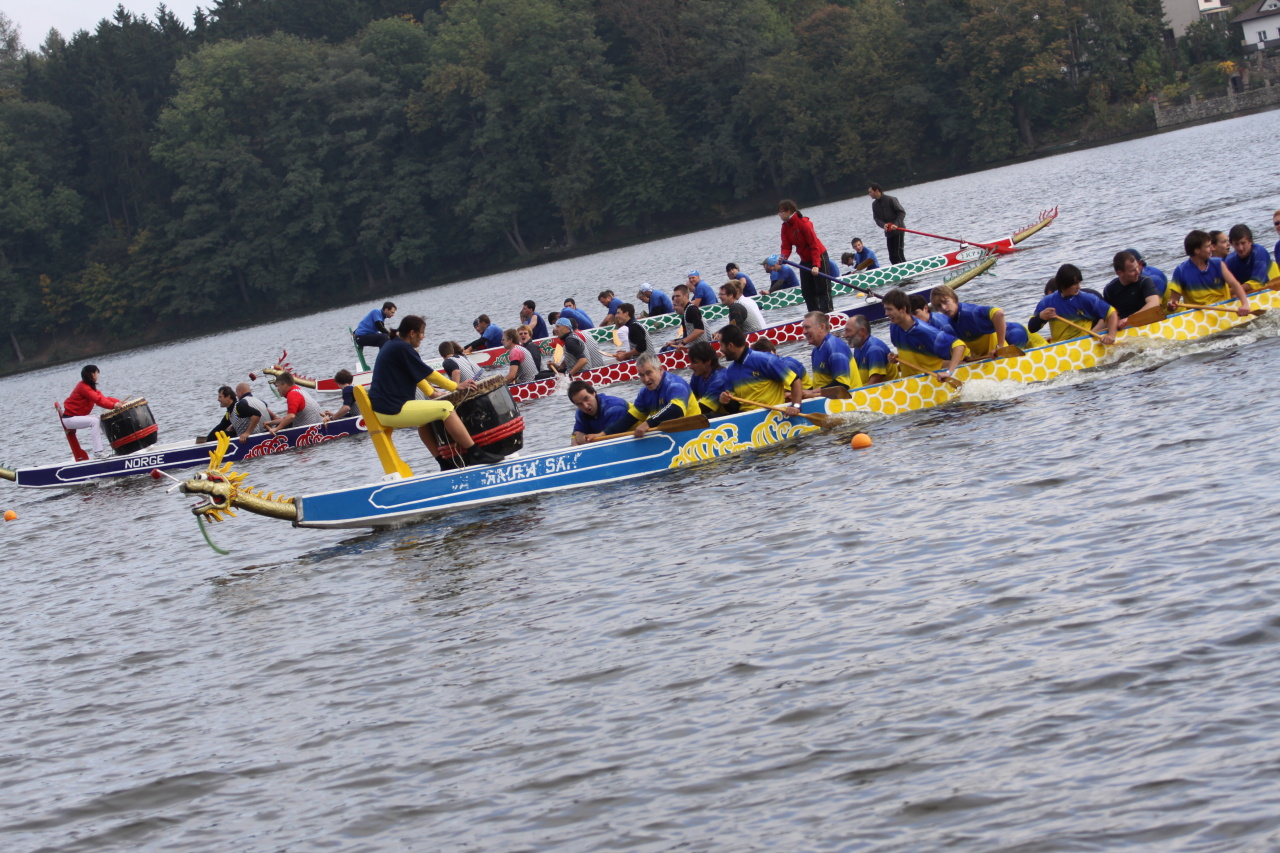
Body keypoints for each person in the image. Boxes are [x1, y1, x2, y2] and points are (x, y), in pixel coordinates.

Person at [367, 315, 503, 467]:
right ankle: (476, 454)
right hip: (392, 410)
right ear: (412, 333)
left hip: (386, 407)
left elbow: (417, 375)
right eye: (421, 332)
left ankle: (444, 464)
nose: (423, 336)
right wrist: (456, 386)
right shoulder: (402, 348)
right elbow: (429, 374)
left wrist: (432, 394)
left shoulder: (394, 344)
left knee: (424, 419)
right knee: (446, 409)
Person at [598, 353, 702, 438]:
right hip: (669, 435)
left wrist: (648, 423)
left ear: (660, 370)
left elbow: (676, 410)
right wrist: (602, 435)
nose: (646, 379)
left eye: (649, 373)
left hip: (694, 432)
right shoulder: (644, 393)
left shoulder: (675, 385)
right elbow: (629, 419)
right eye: (641, 375)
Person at [930, 284, 1044, 358]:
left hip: (1016, 334)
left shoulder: (971, 312)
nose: (944, 308)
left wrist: (1000, 347)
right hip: (991, 352)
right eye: (939, 306)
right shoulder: (950, 321)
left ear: (954, 299)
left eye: (946, 302)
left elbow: (999, 313)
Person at [717, 324, 804, 413]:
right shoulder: (730, 371)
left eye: (721, 345)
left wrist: (796, 406)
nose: (720, 350)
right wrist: (726, 402)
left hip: (772, 416)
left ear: (731, 346)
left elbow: (795, 381)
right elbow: (735, 409)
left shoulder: (766, 360)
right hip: (747, 417)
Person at [883, 288, 966, 379]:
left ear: (903, 309)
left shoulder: (925, 331)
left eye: (889, 309)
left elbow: (958, 346)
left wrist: (949, 372)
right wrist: (896, 358)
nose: (886, 313)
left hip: (930, 380)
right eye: (885, 309)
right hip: (908, 380)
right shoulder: (894, 327)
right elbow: (914, 353)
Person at [1032, 265, 1121, 343]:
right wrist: (1041, 317)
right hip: (1059, 346)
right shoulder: (1047, 301)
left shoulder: (1086, 299)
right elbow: (1032, 328)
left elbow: (1112, 313)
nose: (1079, 287)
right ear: (1063, 285)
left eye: (1079, 282)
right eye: (1075, 284)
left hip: (1081, 344)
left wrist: (1111, 335)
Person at [1167, 230, 1251, 314]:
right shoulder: (1180, 271)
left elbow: (1235, 284)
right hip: (1198, 315)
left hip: (1224, 310)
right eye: (1208, 246)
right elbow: (1173, 302)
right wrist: (1171, 305)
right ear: (1197, 250)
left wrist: (1245, 304)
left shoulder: (1218, 264)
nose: (1212, 248)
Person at [777, 199, 833, 313]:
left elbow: (814, 245)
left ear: (788, 211)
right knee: (807, 292)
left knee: (822, 289)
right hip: (805, 260)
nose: (779, 214)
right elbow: (786, 246)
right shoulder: (785, 227)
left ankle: (827, 312)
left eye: (781, 212)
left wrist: (816, 265)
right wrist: (783, 257)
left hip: (818, 256)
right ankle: (814, 315)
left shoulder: (804, 224)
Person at [61, 364, 122, 458]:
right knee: (95, 421)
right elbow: (98, 400)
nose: (97, 376)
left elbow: (103, 398)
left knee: (101, 419)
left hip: (74, 417)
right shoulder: (83, 387)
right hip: (69, 419)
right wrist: (113, 405)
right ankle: (98, 452)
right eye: (97, 373)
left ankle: (116, 446)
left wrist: (118, 402)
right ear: (93, 374)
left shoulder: (88, 387)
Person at [800, 311, 856, 396]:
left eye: (807, 327)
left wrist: (812, 393)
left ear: (822, 327)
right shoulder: (815, 350)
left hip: (850, 399)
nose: (804, 332)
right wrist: (799, 394)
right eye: (803, 328)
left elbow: (842, 385)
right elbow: (819, 385)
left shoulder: (835, 347)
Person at [1101, 251, 1162, 325]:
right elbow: (1106, 316)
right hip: (1125, 327)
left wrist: (1129, 319)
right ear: (1119, 273)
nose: (1138, 272)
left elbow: (1154, 303)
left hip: (1148, 323)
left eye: (1137, 267)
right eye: (1132, 270)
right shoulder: (1109, 290)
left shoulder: (1145, 281)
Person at [569, 380, 630, 445]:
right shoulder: (580, 413)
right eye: (579, 404)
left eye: (586, 399)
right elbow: (575, 438)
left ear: (594, 393)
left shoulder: (614, 407)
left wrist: (584, 440)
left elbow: (611, 440)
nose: (585, 406)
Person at [841, 315, 895, 385]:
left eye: (848, 331)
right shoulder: (858, 347)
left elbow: (875, 383)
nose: (844, 335)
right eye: (845, 331)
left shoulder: (874, 350)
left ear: (862, 331)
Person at [1224, 224, 1273, 291]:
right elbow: (1223, 286)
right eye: (1236, 244)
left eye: (1243, 243)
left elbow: (1257, 283)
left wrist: (1229, 292)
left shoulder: (1259, 252)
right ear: (1231, 244)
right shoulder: (1229, 260)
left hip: (1268, 289)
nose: (1240, 248)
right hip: (1245, 293)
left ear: (1250, 241)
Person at [687, 341, 729, 415]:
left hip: (727, 417)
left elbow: (703, 409)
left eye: (694, 362)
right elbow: (688, 399)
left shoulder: (720, 379)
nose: (690, 367)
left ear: (708, 361)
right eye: (691, 362)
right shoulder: (697, 375)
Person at [869, 183, 906, 264]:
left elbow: (901, 212)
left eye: (870, 192)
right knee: (892, 257)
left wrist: (896, 224)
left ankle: (907, 268)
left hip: (898, 231)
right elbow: (876, 218)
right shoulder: (874, 205)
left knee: (898, 254)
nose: (869, 194)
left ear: (877, 191)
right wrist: (883, 225)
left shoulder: (891, 199)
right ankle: (897, 270)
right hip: (889, 233)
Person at [665, 284, 707, 349]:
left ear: (686, 295)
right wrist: (675, 342)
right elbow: (688, 336)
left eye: (678, 296)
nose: (675, 299)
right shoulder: (687, 311)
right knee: (666, 348)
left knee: (668, 349)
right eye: (674, 296)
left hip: (701, 348)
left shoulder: (691, 309)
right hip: (694, 347)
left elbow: (700, 330)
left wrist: (683, 343)